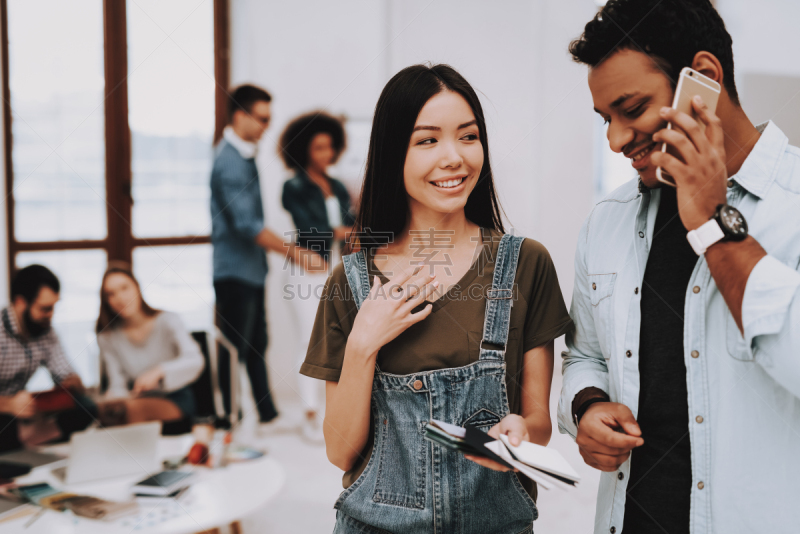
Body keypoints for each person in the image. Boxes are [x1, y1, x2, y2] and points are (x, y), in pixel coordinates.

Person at [558, 1, 800, 533]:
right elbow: (586, 355)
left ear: (705, 80)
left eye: (632, 108)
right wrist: (587, 405)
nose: (616, 139)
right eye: (606, 119)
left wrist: (715, 223)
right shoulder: (607, 222)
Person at [301, 64, 573, 533]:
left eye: (468, 137)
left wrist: (520, 434)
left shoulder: (526, 263)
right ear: (392, 154)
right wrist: (364, 343)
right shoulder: (351, 281)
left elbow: (537, 422)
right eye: (427, 140)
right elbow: (340, 451)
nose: (454, 158)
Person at [211, 84, 322, 425]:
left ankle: (267, 415)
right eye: (260, 119)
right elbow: (248, 225)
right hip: (234, 272)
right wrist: (298, 254)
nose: (265, 126)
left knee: (257, 342)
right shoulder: (229, 163)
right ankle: (228, 421)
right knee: (235, 350)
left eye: (269, 119)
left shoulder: (244, 155)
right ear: (240, 115)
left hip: (251, 270)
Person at [280, 111, 355, 442]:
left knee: (334, 341)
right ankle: (309, 413)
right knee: (309, 342)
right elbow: (311, 229)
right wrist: (341, 230)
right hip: (305, 270)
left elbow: (352, 226)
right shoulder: (293, 186)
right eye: (317, 148)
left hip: (333, 269)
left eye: (329, 147)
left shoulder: (337, 185)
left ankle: (328, 413)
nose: (325, 154)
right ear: (303, 150)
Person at [96, 263, 204, 428]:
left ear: (137, 288)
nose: (120, 298)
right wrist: (114, 397)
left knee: (132, 410)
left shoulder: (168, 320)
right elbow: (117, 383)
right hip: (136, 399)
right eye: (111, 294)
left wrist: (160, 371)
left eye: (125, 288)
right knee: (107, 411)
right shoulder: (107, 337)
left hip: (174, 398)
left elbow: (196, 360)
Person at [0, 265, 94, 452]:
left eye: (53, 308)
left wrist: (69, 385)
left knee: (86, 406)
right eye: (45, 309)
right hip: (5, 411)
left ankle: (31, 439)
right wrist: (8, 404)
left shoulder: (45, 331)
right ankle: (23, 441)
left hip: (23, 412)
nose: (51, 315)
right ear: (20, 303)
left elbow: (66, 373)